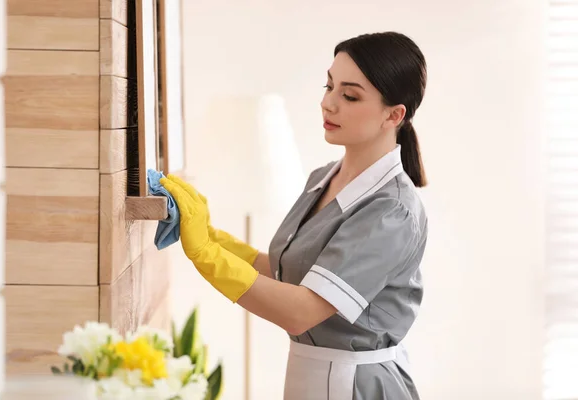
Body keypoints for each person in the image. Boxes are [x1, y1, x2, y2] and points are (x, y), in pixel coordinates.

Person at [161, 31, 429, 400]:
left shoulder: (392, 210)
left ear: (394, 114)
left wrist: (205, 254)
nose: (327, 103)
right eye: (329, 86)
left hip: (356, 386)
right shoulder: (323, 178)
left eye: (349, 95)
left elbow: (301, 311)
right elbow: (286, 271)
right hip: (308, 376)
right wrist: (208, 234)